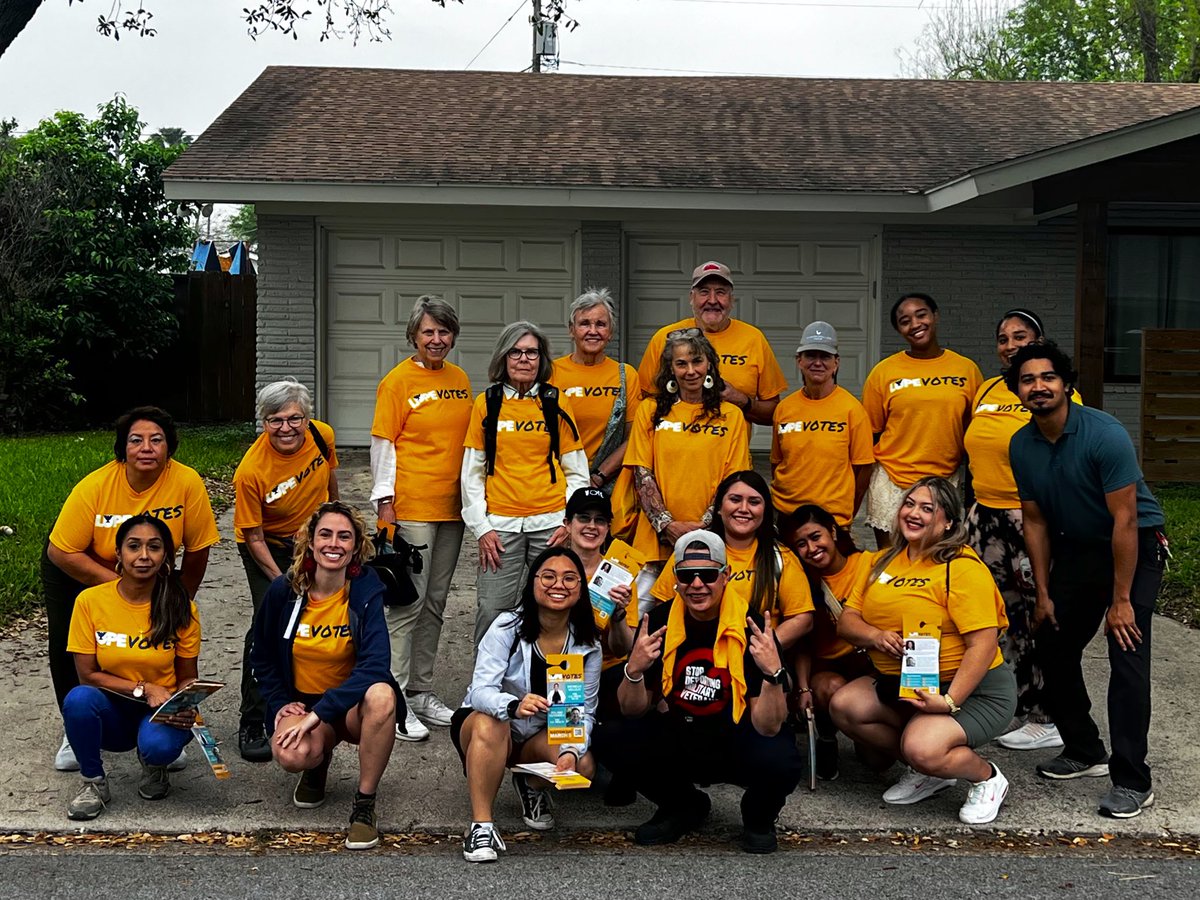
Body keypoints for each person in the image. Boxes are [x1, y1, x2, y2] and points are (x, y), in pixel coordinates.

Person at [1007, 342, 1167, 819]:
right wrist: (1043, 593)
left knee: (1127, 653)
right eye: (1028, 379)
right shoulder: (1021, 443)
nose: (1038, 386)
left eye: (1048, 377)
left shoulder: (1104, 434)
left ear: (1066, 384)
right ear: (1018, 390)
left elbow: (1124, 521)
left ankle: (1133, 780)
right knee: (1051, 641)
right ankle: (1084, 750)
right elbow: (1034, 522)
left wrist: (1121, 600)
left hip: (1133, 546)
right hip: (1077, 548)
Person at [593, 530, 802, 853]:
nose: (697, 584)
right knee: (611, 737)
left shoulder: (752, 626)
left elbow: (769, 725)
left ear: (725, 576)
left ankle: (758, 816)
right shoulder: (660, 621)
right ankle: (682, 805)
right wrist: (633, 670)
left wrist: (772, 674)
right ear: (676, 579)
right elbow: (633, 709)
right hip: (681, 734)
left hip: (737, 735)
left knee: (782, 757)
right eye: (687, 575)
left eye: (707, 574)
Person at [831, 476, 1016, 825]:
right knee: (844, 706)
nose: (914, 513)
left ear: (947, 522)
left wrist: (948, 702)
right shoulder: (881, 562)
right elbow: (847, 622)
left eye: (928, 508)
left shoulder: (960, 567)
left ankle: (987, 778)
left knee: (922, 747)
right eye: (910, 504)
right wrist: (874, 636)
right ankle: (931, 770)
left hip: (973, 690)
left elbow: (984, 643)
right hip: (911, 683)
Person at [44, 406, 219, 773]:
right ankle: (75, 729)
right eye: (135, 440)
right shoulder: (95, 486)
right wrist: (126, 589)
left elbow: (199, 547)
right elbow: (60, 551)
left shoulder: (186, 482)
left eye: (157, 440)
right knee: (72, 647)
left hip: (146, 567)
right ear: (122, 449)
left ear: (169, 449)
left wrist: (175, 598)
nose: (146, 448)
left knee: (158, 635)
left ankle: (163, 719)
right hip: (79, 564)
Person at [963, 310, 1082, 753]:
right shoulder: (991, 388)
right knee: (1002, 617)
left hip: (1031, 517)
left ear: (1039, 340)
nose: (1009, 344)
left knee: (1041, 614)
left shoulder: (1053, 392)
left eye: (1020, 336)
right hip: (986, 515)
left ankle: (1049, 714)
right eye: (1002, 338)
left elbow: (1069, 458)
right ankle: (1017, 701)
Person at [250, 502, 399, 850]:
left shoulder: (366, 589)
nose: (334, 544)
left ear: (356, 546)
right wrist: (280, 703)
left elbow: (377, 665)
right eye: (326, 535)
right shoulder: (284, 591)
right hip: (303, 703)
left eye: (344, 536)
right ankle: (316, 764)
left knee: (383, 695)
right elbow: (262, 655)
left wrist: (321, 713)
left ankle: (364, 805)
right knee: (291, 754)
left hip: (348, 707)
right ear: (311, 542)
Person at [452, 547, 602, 863]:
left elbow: (583, 711)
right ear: (532, 583)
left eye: (569, 578)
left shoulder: (588, 644)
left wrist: (571, 752)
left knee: (583, 764)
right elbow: (480, 691)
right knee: (490, 722)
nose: (558, 584)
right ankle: (481, 826)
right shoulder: (507, 626)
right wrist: (512, 705)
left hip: (537, 735)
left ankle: (530, 783)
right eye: (548, 576)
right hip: (487, 727)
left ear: (580, 588)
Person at [370, 295, 473, 743]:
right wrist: (384, 505)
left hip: (453, 510)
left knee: (435, 604)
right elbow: (383, 445)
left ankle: (422, 691)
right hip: (410, 508)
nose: (437, 339)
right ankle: (394, 700)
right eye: (428, 331)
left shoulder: (461, 379)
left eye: (444, 331)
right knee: (406, 606)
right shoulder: (396, 382)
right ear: (414, 334)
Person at [61, 515, 201, 820]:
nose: (143, 556)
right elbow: (87, 675)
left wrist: (187, 701)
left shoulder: (180, 606)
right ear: (118, 553)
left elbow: (188, 675)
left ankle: (154, 766)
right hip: (112, 708)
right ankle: (93, 783)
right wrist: (144, 688)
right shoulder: (89, 601)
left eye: (154, 547)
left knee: (158, 747)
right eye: (134, 546)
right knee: (78, 700)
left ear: (165, 556)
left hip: (160, 710)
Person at [461, 321, 589, 646]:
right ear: (503, 357)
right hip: (499, 528)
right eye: (515, 351)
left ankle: (553, 691)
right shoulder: (487, 403)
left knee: (556, 609)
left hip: (550, 525)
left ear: (541, 358)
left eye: (531, 352)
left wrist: (568, 522)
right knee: (492, 610)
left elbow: (576, 470)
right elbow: (472, 472)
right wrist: (481, 528)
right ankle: (485, 692)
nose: (523, 359)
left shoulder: (554, 401)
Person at [233, 379, 339, 762]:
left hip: (311, 540)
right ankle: (253, 719)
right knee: (269, 623)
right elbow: (253, 536)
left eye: (294, 418)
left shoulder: (321, 435)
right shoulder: (250, 471)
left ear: (307, 417)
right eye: (275, 420)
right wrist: (281, 581)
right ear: (263, 422)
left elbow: (329, 480)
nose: (286, 428)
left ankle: (317, 702)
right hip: (269, 548)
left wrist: (336, 523)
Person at [625, 328, 750, 600]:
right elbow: (642, 474)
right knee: (637, 625)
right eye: (681, 363)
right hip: (655, 543)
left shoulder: (732, 416)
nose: (690, 370)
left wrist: (700, 528)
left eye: (697, 361)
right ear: (670, 369)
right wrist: (667, 525)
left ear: (710, 365)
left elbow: (734, 481)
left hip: (709, 544)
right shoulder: (650, 410)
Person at [861, 294, 983, 548]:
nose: (915, 324)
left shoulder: (966, 370)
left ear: (935, 315)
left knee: (934, 558)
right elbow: (869, 433)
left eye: (921, 314)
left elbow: (975, 433)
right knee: (890, 560)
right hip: (892, 479)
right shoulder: (884, 371)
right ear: (898, 330)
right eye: (904, 321)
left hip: (943, 480)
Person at [649, 471, 814, 651]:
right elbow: (662, 606)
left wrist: (758, 652)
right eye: (735, 500)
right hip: (693, 657)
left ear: (765, 510)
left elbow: (802, 619)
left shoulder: (781, 557)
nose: (744, 508)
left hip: (755, 663)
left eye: (754, 502)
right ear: (719, 507)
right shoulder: (693, 550)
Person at [778, 504, 875, 781]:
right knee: (829, 688)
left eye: (815, 537)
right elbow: (803, 644)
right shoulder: (802, 580)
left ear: (833, 532)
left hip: (868, 666)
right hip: (828, 669)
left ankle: (861, 734)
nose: (811, 548)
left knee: (876, 762)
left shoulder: (868, 563)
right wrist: (803, 687)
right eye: (801, 544)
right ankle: (827, 734)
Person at [636, 261, 788, 428]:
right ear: (691, 298)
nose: (713, 300)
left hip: (731, 452)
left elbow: (774, 414)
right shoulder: (665, 339)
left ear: (732, 299)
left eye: (721, 292)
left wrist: (742, 401)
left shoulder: (753, 339)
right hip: (671, 451)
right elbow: (644, 407)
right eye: (704, 292)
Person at [552, 288, 640, 537]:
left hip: (607, 486)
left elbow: (635, 437)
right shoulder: (550, 373)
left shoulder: (625, 376)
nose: (593, 330)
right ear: (572, 330)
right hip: (558, 486)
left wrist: (599, 477)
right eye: (584, 323)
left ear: (610, 332)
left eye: (601, 324)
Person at [771, 322, 874, 527]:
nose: (817, 362)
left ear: (836, 362)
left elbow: (863, 470)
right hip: (785, 515)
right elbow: (777, 462)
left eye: (825, 356)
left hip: (832, 518)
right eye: (810, 355)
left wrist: (846, 511)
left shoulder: (852, 410)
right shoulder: (784, 408)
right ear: (799, 360)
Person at [561, 487, 642, 714]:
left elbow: (622, 649)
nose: (592, 526)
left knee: (615, 735)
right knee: (567, 734)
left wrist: (618, 615)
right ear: (567, 524)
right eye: (583, 518)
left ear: (608, 528)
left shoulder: (622, 577)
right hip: (563, 669)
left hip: (608, 671)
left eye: (600, 520)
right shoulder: (551, 568)